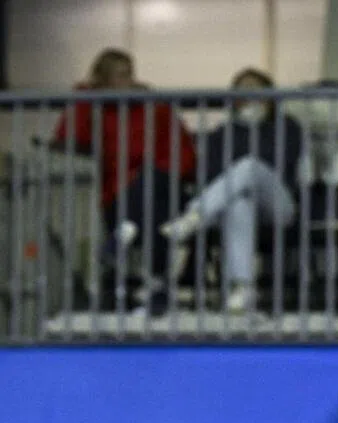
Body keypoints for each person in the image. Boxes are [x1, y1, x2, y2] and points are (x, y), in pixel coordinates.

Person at [52, 48, 197, 312]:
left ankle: (123, 236)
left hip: (167, 185)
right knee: (156, 211)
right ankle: (157, 287)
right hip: (118, 196)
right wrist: (86, 97)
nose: (127, 82)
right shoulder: (93, 107)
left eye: (129, 75)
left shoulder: (155, 107)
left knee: (153, 183)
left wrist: (160, 174)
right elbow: (68, 140)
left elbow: (185, 153)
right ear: (102, 79)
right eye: (119, 76)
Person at [162, 69, 304, 315]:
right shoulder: (222, 134)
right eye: (242, 91)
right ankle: (242, 290)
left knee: (249, 166)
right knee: (239, 204)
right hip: (237, 206)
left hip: (278, 203)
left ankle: (194, 216)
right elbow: (210, 174)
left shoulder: (288, 127)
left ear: (270, 96)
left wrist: (255, 130)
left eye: (255, 90)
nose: (249, 97)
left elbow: (283, 162)